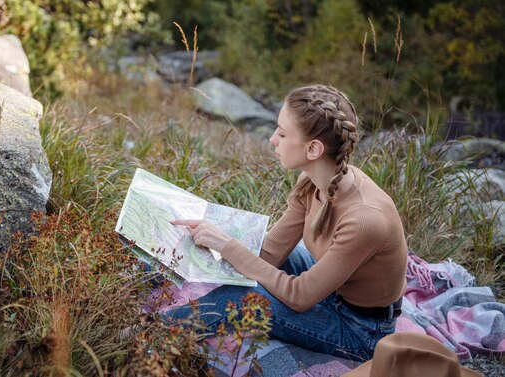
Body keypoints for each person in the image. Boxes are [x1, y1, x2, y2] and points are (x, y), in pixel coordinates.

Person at [164, 84, 408, 362]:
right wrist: (215, 245)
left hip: (361, 330)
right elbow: (270, 253)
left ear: (314, 148)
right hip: (332, 291)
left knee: (243, 300)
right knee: (260, 252)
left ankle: (148, 335)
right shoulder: (311, 182)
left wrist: (230, 247)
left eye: (281, 133)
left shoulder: (365, 220)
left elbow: (300, 296)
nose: (272, 140)